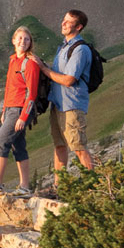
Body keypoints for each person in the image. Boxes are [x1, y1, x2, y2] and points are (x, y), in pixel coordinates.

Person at [0, 26, 40, 196]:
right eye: (20, 38)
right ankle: (24, 187)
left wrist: (23, 117)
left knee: (1, 142)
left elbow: (32, 93)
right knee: (18, 146)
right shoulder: (13, 61)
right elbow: (9, 88)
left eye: (26, 39)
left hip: (20, 110)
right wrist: (4, 111)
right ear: (13, 40)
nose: (23, 41)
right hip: (10, 110)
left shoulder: (30, 64)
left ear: (30, 43)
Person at [34, 9, 94, 172]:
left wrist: (43, 69)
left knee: (79, 147)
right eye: (64, 20)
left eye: (69, 22)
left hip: (72, 106)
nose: (63, 23)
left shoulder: (80, 50)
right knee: (59, 146)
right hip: (58, 104)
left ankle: (94, 185)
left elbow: (68, 80)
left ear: (79, 27)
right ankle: (58, 187)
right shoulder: (63, 47)